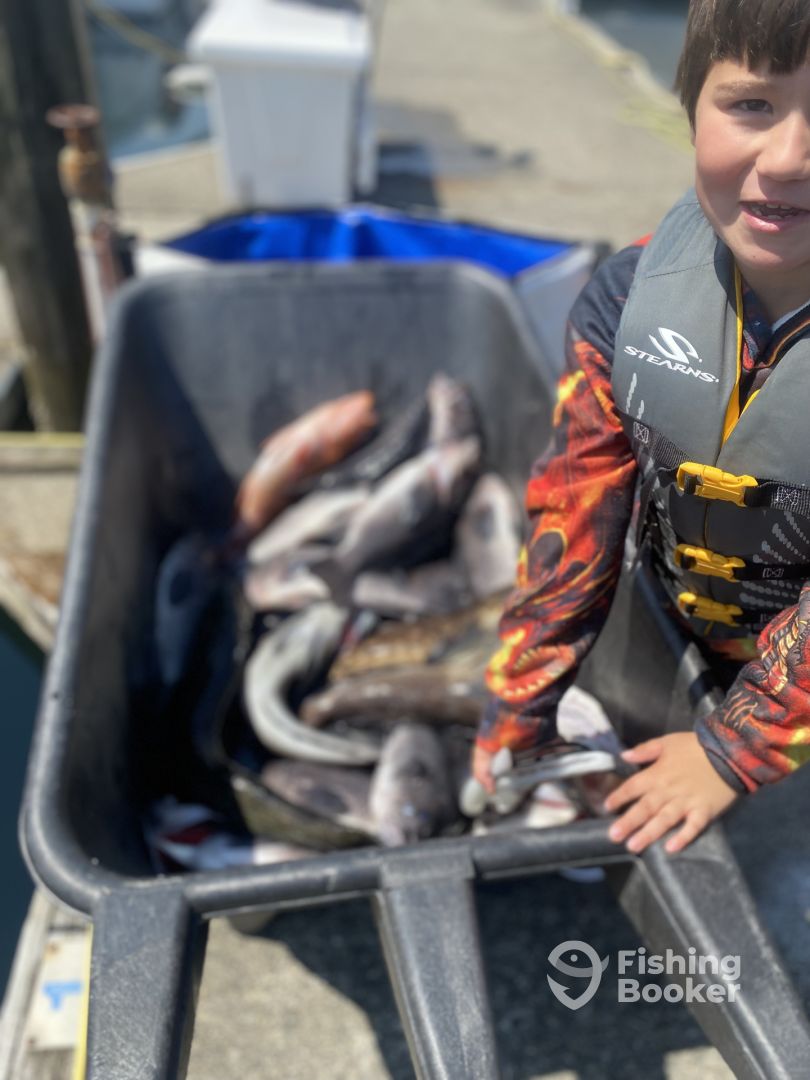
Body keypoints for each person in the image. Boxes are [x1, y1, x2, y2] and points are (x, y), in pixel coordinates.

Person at [473, 0, 810, 855]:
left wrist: (735, 750)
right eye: (752, 104)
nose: (788, 158)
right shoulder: (625, 299)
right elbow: (573, 507)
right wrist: (521, 697)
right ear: (691, 105)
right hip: (689, 623)